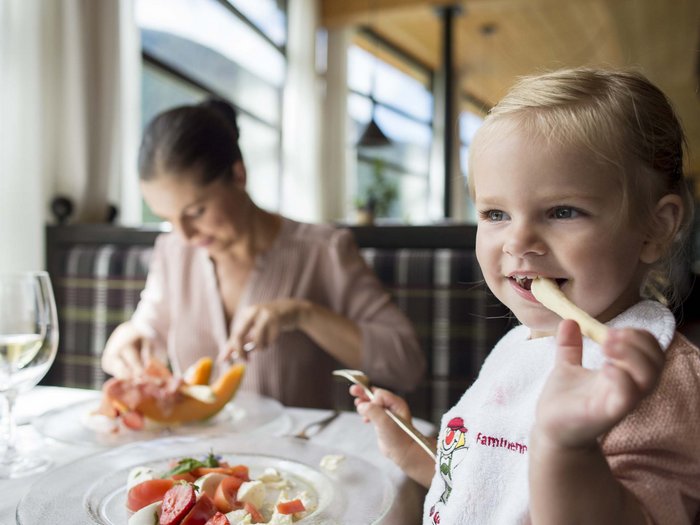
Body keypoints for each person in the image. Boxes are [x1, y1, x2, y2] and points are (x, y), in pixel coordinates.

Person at [351, 67, 700, 523]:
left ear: (654, 229)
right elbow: (486, 486)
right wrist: (412, 450)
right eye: (496, 213)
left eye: (562, 211)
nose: (517, 242)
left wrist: (566, 447)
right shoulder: (524, 345)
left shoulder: (659, 380)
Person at [101, 98, 426, 408]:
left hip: (300, 458)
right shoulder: (172, 252)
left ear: (239, 176)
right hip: (198, 460)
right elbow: (148, 328)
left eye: (196, 211)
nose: (184, 234)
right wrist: (127, 338)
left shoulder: (324, 252)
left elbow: (407, 365)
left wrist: (303, 314)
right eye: (167, 218)